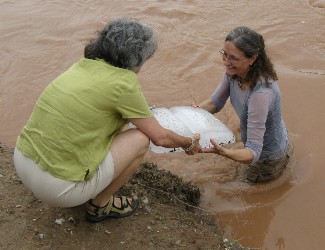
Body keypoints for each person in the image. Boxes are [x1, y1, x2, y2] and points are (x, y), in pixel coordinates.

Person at [13, 17, 201, 223]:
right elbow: (160, 138)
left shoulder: (81, 66)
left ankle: (80, 186)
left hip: (22, 161)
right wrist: (188, 143)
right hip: (57, 190)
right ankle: (99, 205)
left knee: (116, 122)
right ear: (137, 59)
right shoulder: (124, 82)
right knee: (140, 138)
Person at [195, 26, 293, 183]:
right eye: (224, 55)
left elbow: (253, 152)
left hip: (267, 160)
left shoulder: (261, 94)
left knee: (237, 192)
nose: (226, 63)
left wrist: (223, 152)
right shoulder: (234, 73)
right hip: (268, 139)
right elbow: (216, 102)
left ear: (253, 58)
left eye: (233, 58)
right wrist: (193, 113)